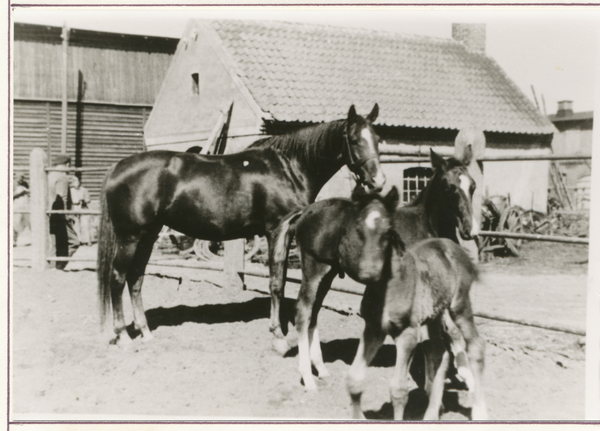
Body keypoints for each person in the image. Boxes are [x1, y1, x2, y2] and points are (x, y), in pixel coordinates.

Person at [48, 155, 79, 270]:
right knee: (74, 242)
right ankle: (58, 266)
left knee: (55, 243)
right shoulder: (62, 177)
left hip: (48, 213)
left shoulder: (49, 175)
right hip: (59, 215)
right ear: (67, 164)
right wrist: (67, 215)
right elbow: (62, 198)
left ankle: (52, 266)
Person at [69, 175, 92, 246]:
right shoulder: (70, 190)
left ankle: (87, 240)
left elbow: (88, 199)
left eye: (77, 181)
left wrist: (85, 200)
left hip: (83, 208)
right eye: (74, 182)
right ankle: (79, 240)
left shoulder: (84, 190)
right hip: (74, 208)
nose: (76, 183)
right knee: (76, 224)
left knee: (85, 224)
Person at [13, 174, 30, 246]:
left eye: (22, 178)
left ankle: (24, 240)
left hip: (24, 205)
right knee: (16, 223)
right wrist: (19, 193)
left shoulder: (25, 184)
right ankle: (13, 240)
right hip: (16, 206)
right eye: (19, 178)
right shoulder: (13, 184)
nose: (21, 180)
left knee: (25, 223)